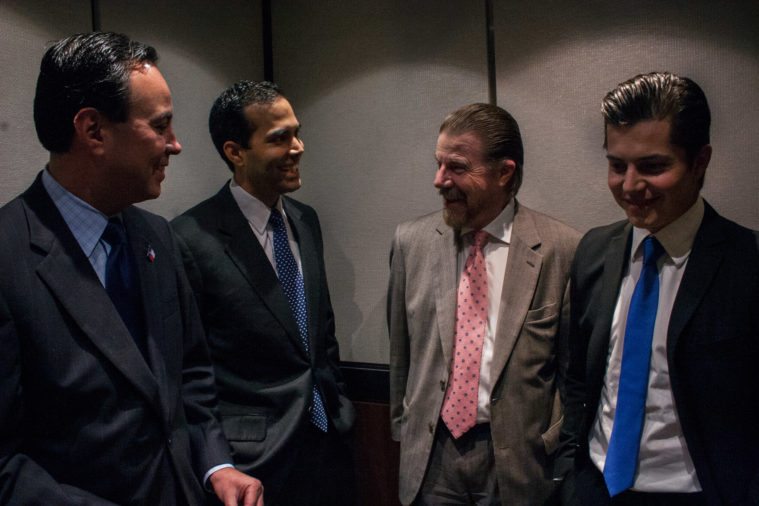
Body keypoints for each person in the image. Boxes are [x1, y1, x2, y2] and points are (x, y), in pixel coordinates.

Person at [0, 32, 263, 505]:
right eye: (160, 126)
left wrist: (216, 466)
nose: (175, 144)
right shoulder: (7, 256)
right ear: (94, 131)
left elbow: (191, 377)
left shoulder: (156, 237)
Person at [557, 72, 759, 505]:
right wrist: (569, 473)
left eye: (652, 166)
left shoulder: (748, 263)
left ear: (700, 161)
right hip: (596, 486)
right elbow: (578, 375)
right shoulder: (593, 250)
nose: (630, 186)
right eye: (617, 166)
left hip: (698, 493)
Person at [171, 80, 355, 506]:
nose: (298, 147)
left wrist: (341, 406)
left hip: (329, 444)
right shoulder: (189, 239)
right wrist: (217, 461)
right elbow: (189, 367)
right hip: (251, 465)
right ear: (235, 152)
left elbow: (320, 334)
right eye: (279, 138)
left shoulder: (306, 221)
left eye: (296, 132)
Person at [388, 103, 580, 505]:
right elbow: (401, 350)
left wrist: (556, 443)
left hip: (519, 463)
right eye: (439, 164)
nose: (439, 180)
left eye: (457, 167)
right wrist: (401, 429)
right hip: (431, 459)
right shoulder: (411, 243)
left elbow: (571, 369)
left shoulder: (561, 249)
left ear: (504, 172)